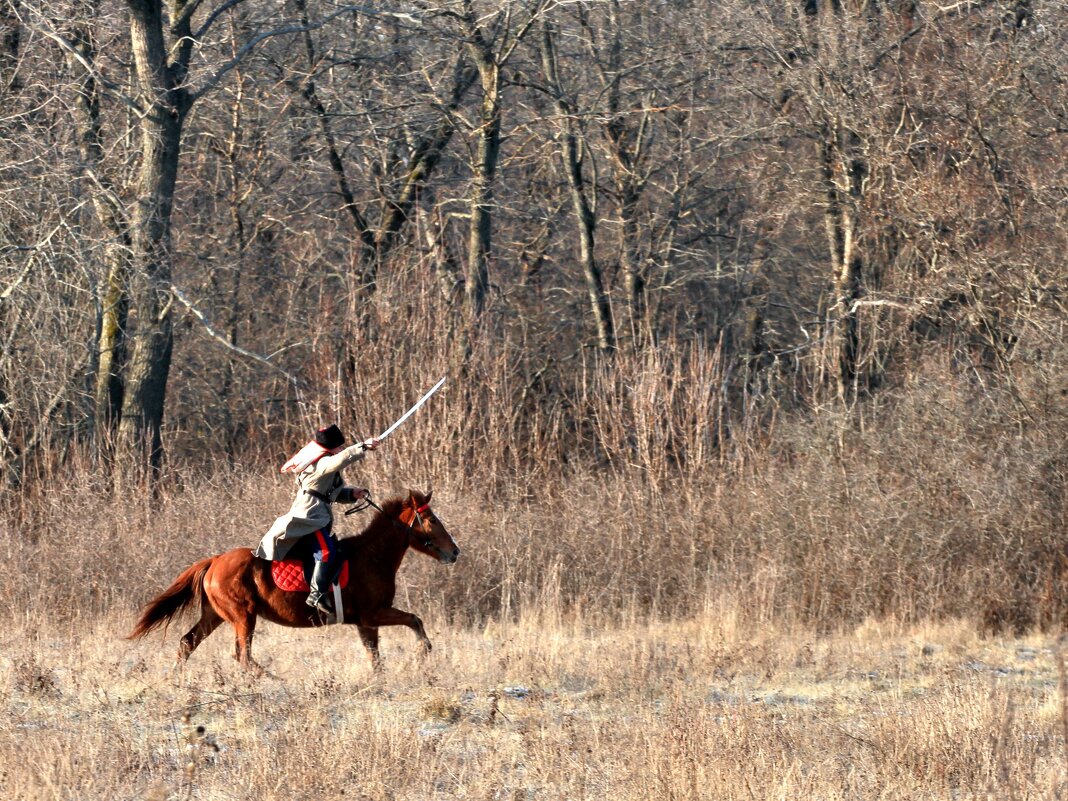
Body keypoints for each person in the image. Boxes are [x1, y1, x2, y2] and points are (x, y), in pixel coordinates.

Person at [254, 424, 379, 618]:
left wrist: (352, 494)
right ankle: (317, 594)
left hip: (316, 515)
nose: (340, 449)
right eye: (338, 446)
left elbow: (328, 493)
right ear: (332, 447)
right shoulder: (320, 462)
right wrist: (362, 446)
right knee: (327, 552)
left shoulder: (319, 461)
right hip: (311, 517)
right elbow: (339, 460)